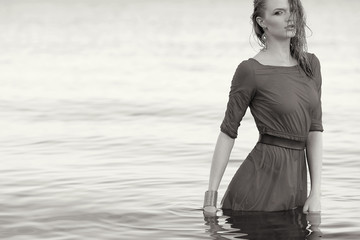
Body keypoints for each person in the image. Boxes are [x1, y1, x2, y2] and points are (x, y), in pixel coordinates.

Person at [203, 0, 323, 214]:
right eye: (279, 13)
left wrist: (316, 193)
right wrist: (210, 199)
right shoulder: (250, 70)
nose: (290, 17)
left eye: (292, 11)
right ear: (262, 22)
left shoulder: (311, 65)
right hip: (257, 189)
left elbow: (314, 129)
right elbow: (228, 132)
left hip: (297, 187)